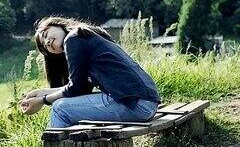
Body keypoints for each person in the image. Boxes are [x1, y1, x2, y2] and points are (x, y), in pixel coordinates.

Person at [19, 16, 161, 128]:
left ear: (56, 24)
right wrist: (41, 92)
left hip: (136, 104)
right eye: (45, 47)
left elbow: (75, 89)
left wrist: (42, 101)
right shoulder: (86, 36)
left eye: (45, 35)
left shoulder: (73, 38)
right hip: (145, 103)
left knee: (60, 109)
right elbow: (79, 89)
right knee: (64, 106)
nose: (47, 42)